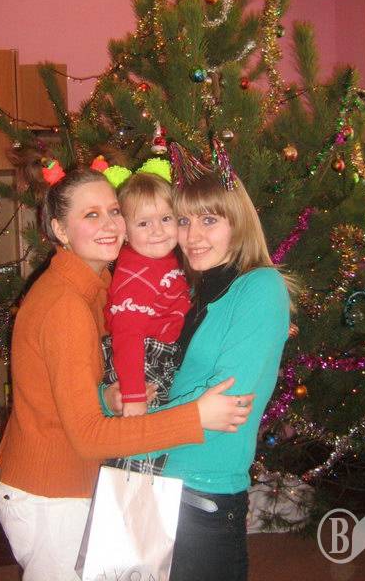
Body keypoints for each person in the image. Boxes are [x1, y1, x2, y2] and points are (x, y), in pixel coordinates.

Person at [0, 168, 254, 581]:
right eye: (91, 215)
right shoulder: (65, 306)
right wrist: (195, 418)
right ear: (60, 229)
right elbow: (88, 437)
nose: (110, 224)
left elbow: (59, 389)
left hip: (66, 485)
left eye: (114, 211)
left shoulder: (94, 287)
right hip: (52, 496)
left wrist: (106, 397)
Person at [132, 169, 293, 581]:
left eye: (209, 220)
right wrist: (115, 400)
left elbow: (228, 403)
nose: (193, 236)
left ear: (238, 222)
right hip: (148, 478)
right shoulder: (192, 292)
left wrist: (128, 426)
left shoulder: (260, 287)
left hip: (201, 492)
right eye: (184, 220)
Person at [104, 171, 190, 417]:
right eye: (144, 223)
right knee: (150, 436)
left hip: (161, 355)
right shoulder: (135, 274)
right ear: (125, 232)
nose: (158, 231)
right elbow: (127, 336)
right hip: (141, 363)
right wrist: (133, 396)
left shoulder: (164, 258)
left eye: (166, 218)